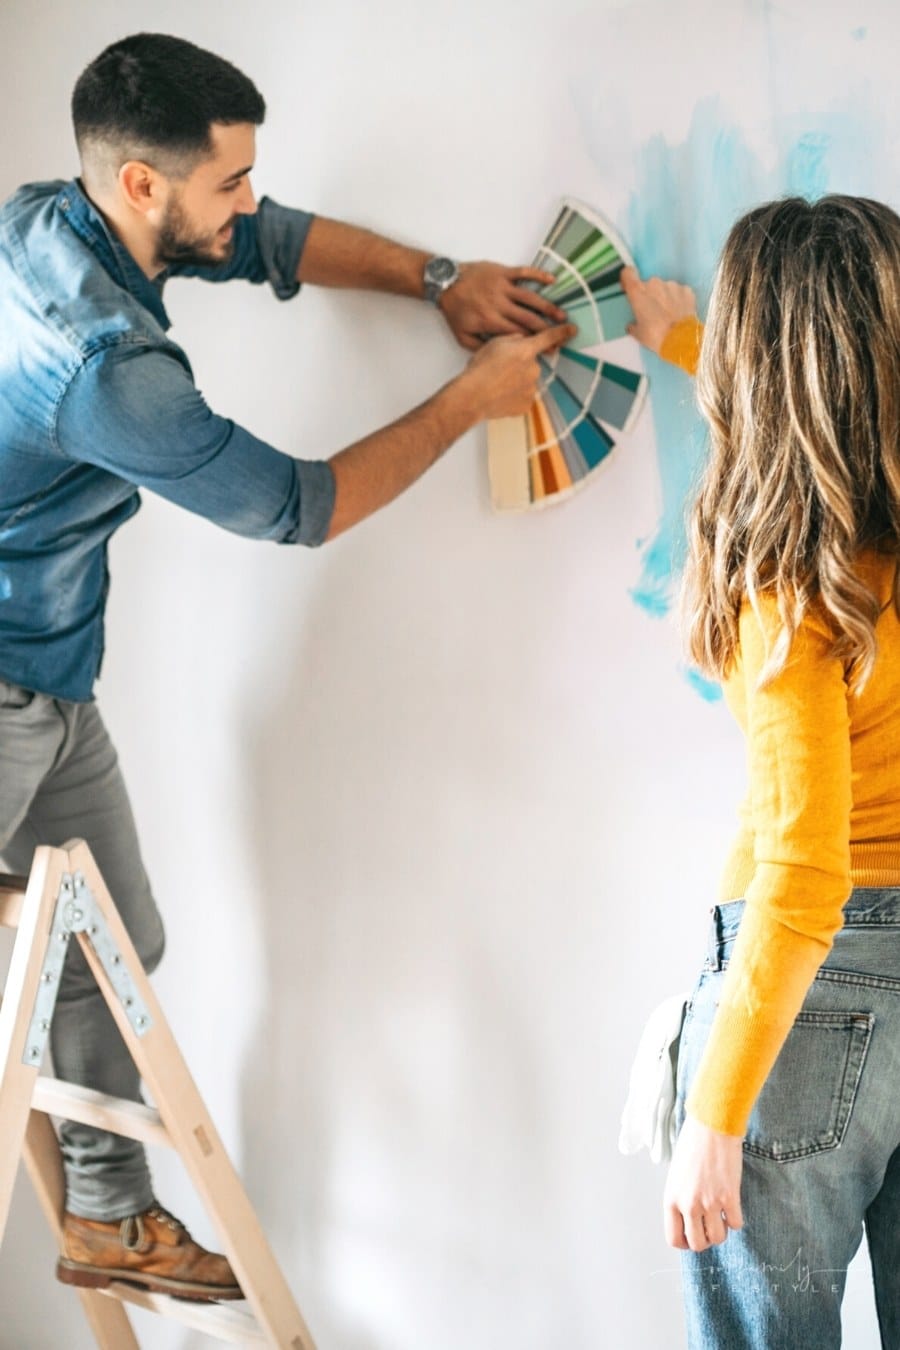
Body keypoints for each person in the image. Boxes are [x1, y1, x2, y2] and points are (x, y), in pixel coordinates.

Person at [0, 31, 580, 1301]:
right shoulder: (108, 366)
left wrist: (441, 279)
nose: (250, 201)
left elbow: (271, 243)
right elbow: (297, 508)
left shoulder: (59, 214)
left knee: (112, 943)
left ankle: (108, 1216)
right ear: (143, 185)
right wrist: (470, 401)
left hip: (48, 673)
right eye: (230, 180)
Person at [654, 196, 900, 1350]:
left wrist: (713, 1116)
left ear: (752, 371)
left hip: (812, 1000)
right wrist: (681, 341)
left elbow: (806, 875)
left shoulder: (793, 590)